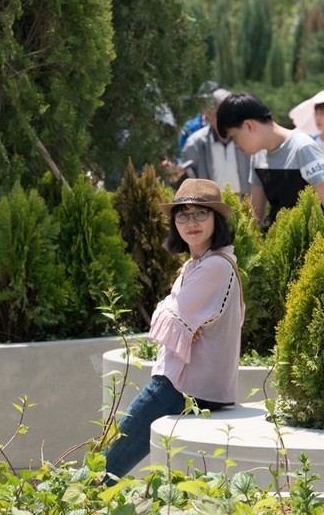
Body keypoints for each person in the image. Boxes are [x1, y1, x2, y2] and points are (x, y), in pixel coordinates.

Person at [103, 179, 244, 482]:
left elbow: (167, 319)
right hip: (178, 384)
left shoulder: (215, 267)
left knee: (104, 468)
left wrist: (170, 309)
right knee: (111, 464)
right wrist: (173, 311)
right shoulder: (195, 265)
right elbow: (172, 318)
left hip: (182, 388)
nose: (190, 222)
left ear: (216, 219)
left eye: (200, 214)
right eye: (183, 214)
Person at [216, 92, 324, 228]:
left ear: (248, 126)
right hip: (274, 241)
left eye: (233, 137)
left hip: (310, 241)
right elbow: (256, 215)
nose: (236, 145)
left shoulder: (303, 148)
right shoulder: (258, 156)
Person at [181, 87, 251, 195]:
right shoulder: (195, 143)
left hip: (245, 202)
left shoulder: (247, 139)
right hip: (211, 205)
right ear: (209, 113)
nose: (231, 114)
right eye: (225, 110)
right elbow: (183, 175)